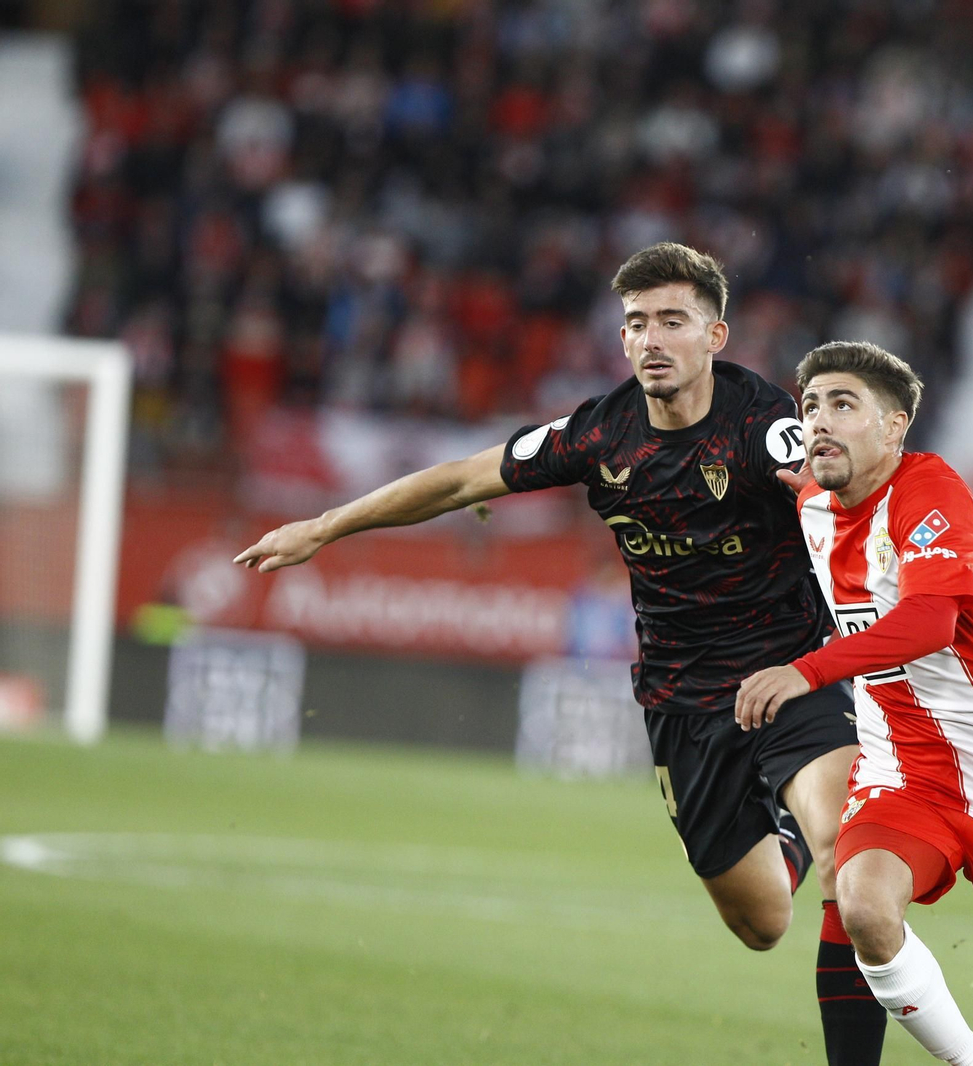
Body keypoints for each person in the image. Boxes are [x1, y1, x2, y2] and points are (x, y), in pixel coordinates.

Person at [234, 244, 887, 1064]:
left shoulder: (765, 426)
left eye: (673, 322)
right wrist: (322, 527)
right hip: (683, 703)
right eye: (636, 324)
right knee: (761, 922)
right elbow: (464, 479)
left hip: (794, 673)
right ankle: (781, 833)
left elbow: (845, 487)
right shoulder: (597, 433)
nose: (652, 339)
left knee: (847, 865)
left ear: (716, 335)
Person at [736, 341, 973, 1065]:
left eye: (843, 404)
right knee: (861, 904)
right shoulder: (817, 504)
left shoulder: (932, 494)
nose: (820, 419)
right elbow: (773, 474)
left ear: (895, 428)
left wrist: (807, 671)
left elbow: (929, 624)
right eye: (812, 404)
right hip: (904, 772)